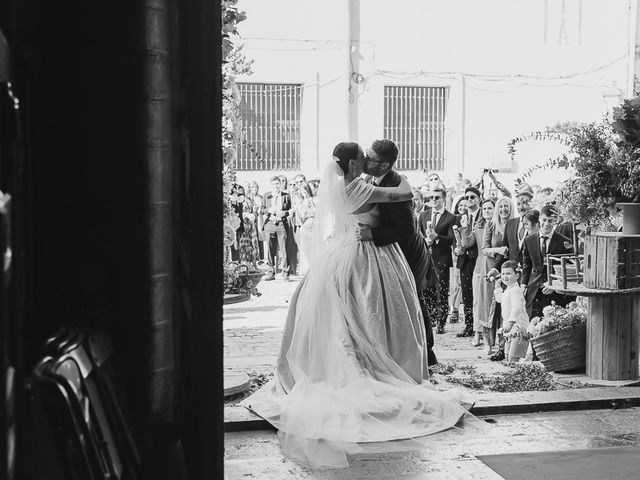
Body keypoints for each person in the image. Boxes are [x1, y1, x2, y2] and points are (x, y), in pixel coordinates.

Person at [240, 142, 468, 469]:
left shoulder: (343, 187)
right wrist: (400, 178)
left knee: (347, 316)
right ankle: (380, 366)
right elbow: (401, 195)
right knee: (373, 311)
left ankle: (355, 363)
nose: (366, 161)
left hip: (344, 249)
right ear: (351, 163)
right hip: (367, 255)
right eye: (362, 158)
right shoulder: (361, 187)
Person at [358, 140, 438, 366]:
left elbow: (406, 230)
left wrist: (372, 235)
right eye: (365, 154)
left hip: (409, 252)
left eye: (370, 158)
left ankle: (427, 355)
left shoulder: (396, 184)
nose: (365, 160)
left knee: (413, 301)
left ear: (384, 166)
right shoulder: (369, 178)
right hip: (390, 251)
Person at [521, 204, 576, 318]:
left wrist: (554, 284)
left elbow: (569, 268)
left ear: (556, 221)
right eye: (544, 220)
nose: (546, 224)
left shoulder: (564, 241)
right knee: (533, 324)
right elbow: (527, 265)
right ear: (539, 219)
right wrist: (523, 285)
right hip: (534, 290)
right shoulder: (528, 240)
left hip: (555, 293)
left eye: (550, 221)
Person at [458, 198, 495, 348]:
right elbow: (467, 243)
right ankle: (477, 332)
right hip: (479, 266)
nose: (486, 211)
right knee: (477, 301)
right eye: (485, 208)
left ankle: (489, 334)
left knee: (490, 301)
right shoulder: (478, 226)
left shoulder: (498, 226)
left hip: (493, 265)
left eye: (490, 208)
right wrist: (464, 227)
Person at [418, 187, 456, 334]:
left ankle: (441, 321)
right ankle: (431, 318)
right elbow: (419, 234)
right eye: (431, 197)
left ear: (443, 199)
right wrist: (425, 241)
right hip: (426, 258)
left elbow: (451, 239)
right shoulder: (423, 216)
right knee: (427, 290)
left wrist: (437, 238)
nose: (434, 200)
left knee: (442, 291)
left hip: (442, 259)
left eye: (437, 197)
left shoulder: (451, 217)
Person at [482, 197, 514, 359]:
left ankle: (506, 346)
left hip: (511, 271)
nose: (503, 209)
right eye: (500, 206)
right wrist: (499, 249)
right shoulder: (491, 225)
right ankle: (490, 343)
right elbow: (484, 249)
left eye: (506, 206)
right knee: (492, 308)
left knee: (507, 309)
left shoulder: (514, 224)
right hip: (494, 269)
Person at [455, 186, 482, 337]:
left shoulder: (483, 216)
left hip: (478, 258)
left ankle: (479, 326)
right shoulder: (461, 217)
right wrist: (456, 249)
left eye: (473, 197)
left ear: (478, 199)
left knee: (478, 294)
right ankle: (469, 325)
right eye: (467, 197)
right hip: (464, 259)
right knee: (466, 294)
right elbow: (456, 238)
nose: (470, 200)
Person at [494, 260, 530, 363]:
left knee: (514, 358)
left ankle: (520, 373)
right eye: (503, 274)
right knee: (507, 355)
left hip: (519, 329)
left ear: (517, 276)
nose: (505, 276)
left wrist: (510, 323)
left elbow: (517, 308)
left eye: (508, 274)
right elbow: (500, 299)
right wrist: (497, 287)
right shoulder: (508, 289)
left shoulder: (516, 290)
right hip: (510, 330)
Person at [263, 176, 292, 281]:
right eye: (273, 184)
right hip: (270, 223)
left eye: (277, 184)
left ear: (280, 184)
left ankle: (285, 273)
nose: (276, 186)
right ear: (271, 185)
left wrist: (285, 213)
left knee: (284, 249)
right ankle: (271, 272)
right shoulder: (266, 195)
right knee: (270, 249)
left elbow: (290, 209)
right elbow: (262, 209)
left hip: (281, 224)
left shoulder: (286, 196)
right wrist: (268, 210)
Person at [447, 196, 467, 324]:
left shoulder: (471, 219)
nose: (462, 208)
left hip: (469, 254)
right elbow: (452, 237)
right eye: (460, 205)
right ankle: (454, 309)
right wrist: (455, 249)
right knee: (455, 282)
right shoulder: (455, 220)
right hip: (456, 254)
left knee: (463, 283)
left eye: (464, 205)